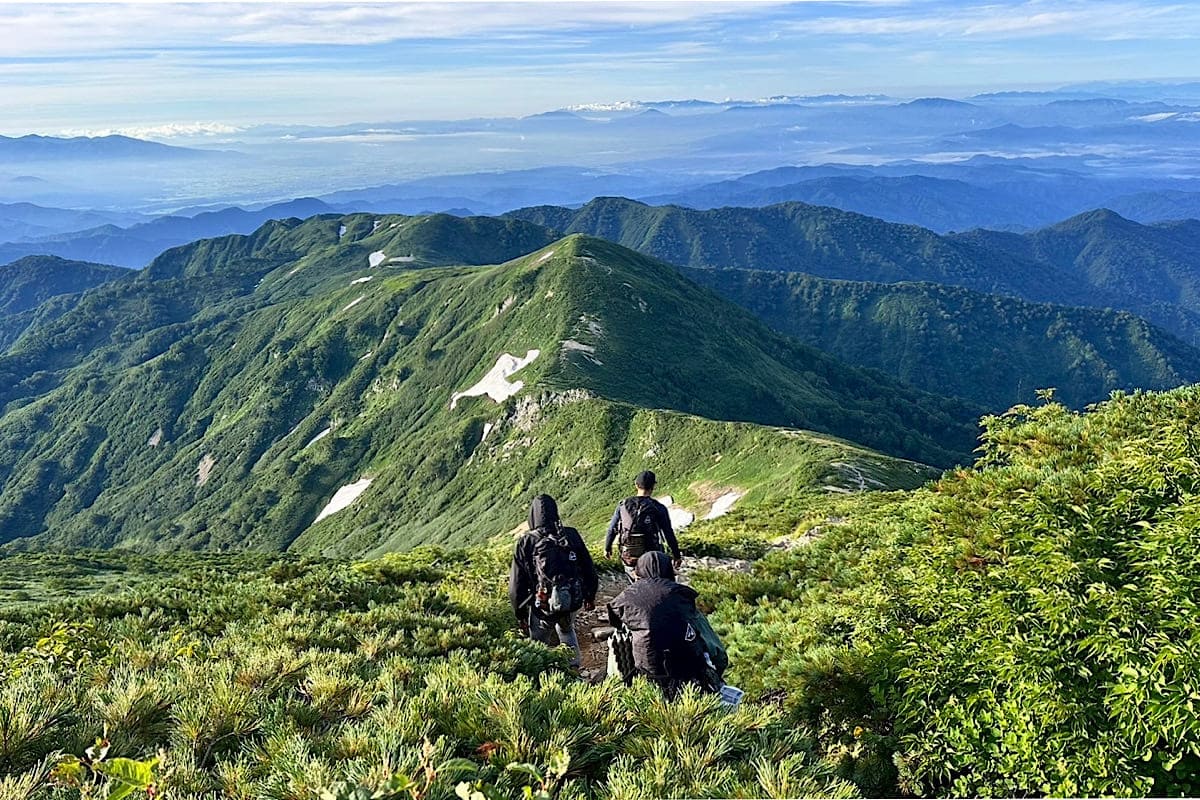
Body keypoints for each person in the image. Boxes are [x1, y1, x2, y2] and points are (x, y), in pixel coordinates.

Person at [605, 551, 727, 698]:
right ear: (670, 572)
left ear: (637, 574)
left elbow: (618, 628)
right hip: (688, 677)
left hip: (646, 675)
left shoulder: (625, 598)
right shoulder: (681, 596)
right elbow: (715, 650)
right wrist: (716, 673)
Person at [509, 494, 598, 668]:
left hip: (542, 606)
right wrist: (590, 596)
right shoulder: (570, 535)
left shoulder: (526, 542)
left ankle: (542, 675)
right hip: (572, 599)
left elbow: (516, 586)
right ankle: (573, 669)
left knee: (539, 642)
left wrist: (520, 614)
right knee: (566, 629)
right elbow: (588, 567)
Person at [604, 470, 682, 577]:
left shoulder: (623, 505)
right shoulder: (658, 507)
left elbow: (612, 528)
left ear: (636, 485)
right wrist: (676, 555)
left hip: (629, 556)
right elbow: (668, 533)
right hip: (652, 555)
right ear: (653, 486)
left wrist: (607, 548)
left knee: (633, 579)